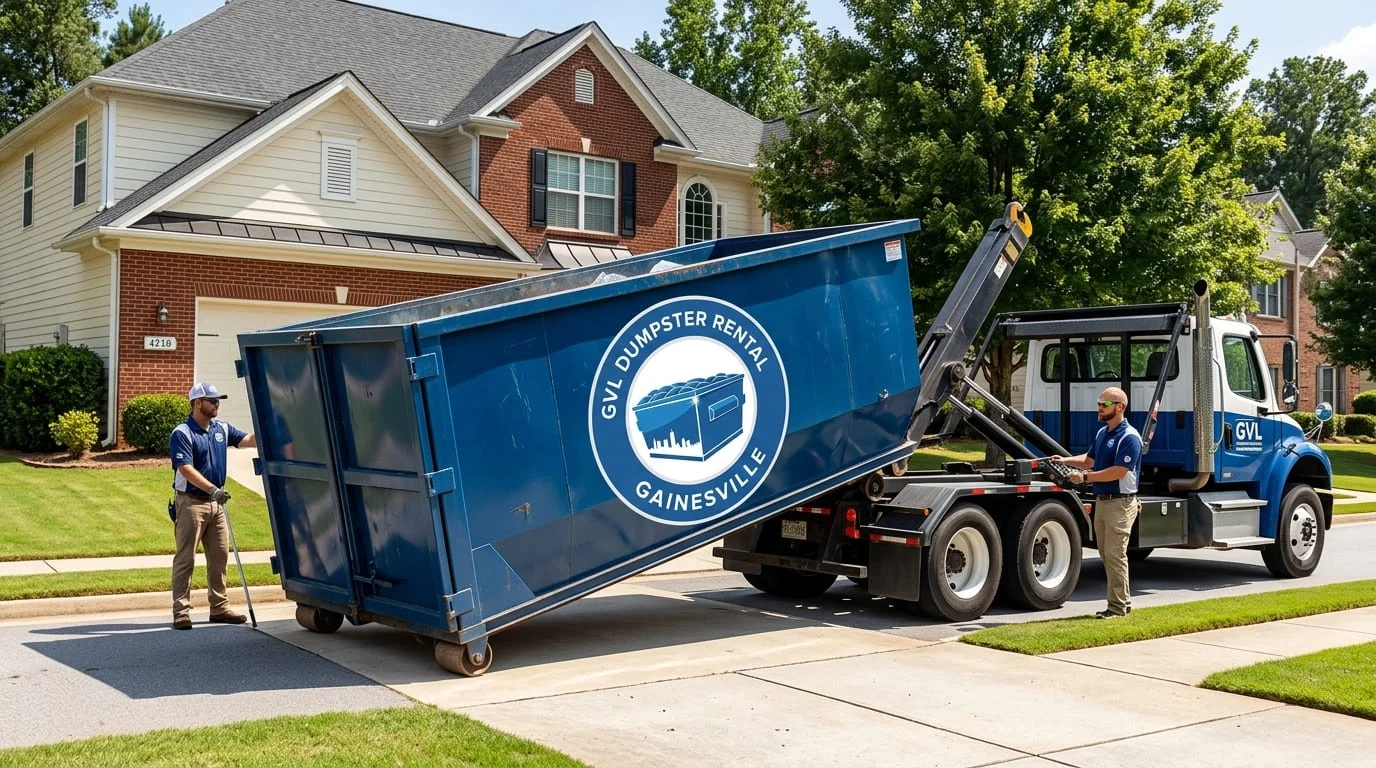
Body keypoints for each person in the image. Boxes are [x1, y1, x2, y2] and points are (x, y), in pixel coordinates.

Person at [168, 382, 257, 630]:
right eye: (213, 400)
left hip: (216, 504)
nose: (217, 404)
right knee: (185, 558)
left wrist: (269, 431)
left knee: (219, 557)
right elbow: (185, 469)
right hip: (191, 503)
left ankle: (219, 608)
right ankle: (181, 612)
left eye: (218, 400)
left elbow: (247, 440)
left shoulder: (221, 428)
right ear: (198, 403)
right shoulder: (183, 432)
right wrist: (213, 489)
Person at [1051, 386, 1143, 619]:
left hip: (1120, 504)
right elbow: (1088, 460)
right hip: (1103, 501)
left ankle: (1118, 607)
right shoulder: (1103, 433)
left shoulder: (1129, 437)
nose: (1099, 408)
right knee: (1106, 554)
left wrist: (1086, 477)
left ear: (1120, 407)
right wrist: (1066, 460)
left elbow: (1119, 472)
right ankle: (1121, 603)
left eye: (1105, 404)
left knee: (1114, 554)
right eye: (1099, 403)